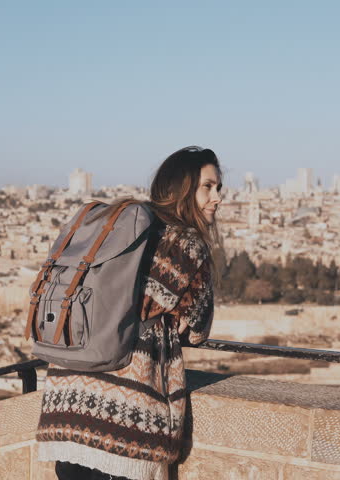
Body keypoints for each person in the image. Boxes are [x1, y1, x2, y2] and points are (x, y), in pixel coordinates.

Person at [36, 146, 223, 480]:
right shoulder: (186, 243)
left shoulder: (120, 228)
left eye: (218, 187)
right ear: (182, 189)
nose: (217, 197)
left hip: (67, 401)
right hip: (123, 416)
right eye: (208, 187)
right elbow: (196, 328)